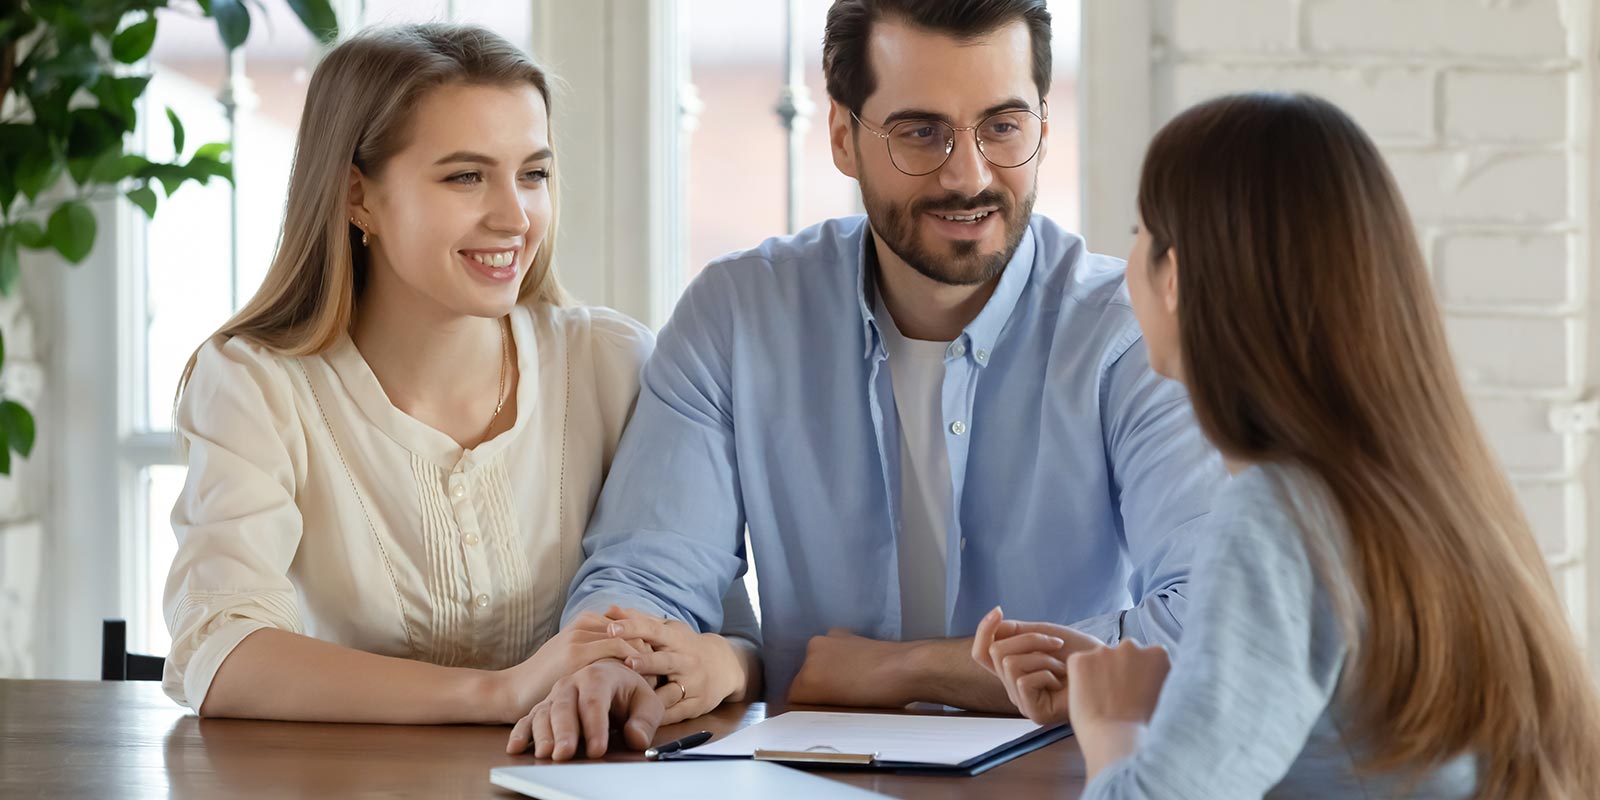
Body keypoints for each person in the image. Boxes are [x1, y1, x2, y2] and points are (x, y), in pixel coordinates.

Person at [506, 0, 1225, 760]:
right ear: (844, 138)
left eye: (1003, 127)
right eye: (922, 132)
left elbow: (1218, 627)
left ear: (1043, 125)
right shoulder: (738, 316)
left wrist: (899, 670)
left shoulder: (1130, 333)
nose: (969, 174)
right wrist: (614, 667)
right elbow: (646, 574)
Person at [973, 92, 1600, 798]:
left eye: (1139, 234)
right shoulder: (1419, 487)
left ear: (1175, 278)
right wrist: (1158, 696)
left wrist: (1115, 728)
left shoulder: (1277, 515)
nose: (1126, 266)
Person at [162, 23, 760, 732]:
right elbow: (221, 653)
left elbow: (727, 628)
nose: (515, 216)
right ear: (357, 195)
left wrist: (727, 664)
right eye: (466, 176)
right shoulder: (253, 385)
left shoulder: (612, 363)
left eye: (533, 174)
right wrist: (501, 693)